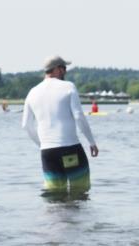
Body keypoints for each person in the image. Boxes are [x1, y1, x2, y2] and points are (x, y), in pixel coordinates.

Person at [22, 56, 99, 195]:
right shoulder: (68, 87)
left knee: (54, 196)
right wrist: (92, 142)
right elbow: (79, 117)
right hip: (70, 149)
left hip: (48, 153)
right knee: (80, 192)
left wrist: (41, 144)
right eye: (64, 68)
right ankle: (74, 217)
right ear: (58, 69)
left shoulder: (32, 93)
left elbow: (25, 126)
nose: (65, 72)